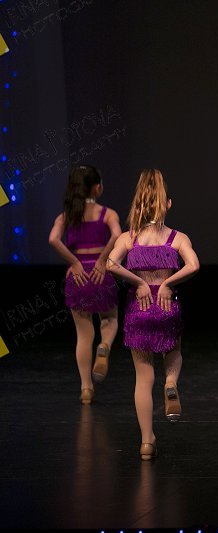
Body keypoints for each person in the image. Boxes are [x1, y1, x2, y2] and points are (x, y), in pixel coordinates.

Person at [107, 169, 200, 460]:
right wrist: (168, 283)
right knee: (173, 352)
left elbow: (110, 264)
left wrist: (138, 282)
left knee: (143, 378)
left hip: (140, 308)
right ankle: (171, 382)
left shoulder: (129, 238)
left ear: (138, 205)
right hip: (167, 307)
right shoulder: (177, 238)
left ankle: (147, 442)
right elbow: (194, 265)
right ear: (167, 204)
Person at [48, 165, 121, 405]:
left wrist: (74, 262)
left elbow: (53, 239)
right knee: (109, 320)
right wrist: (102, 260)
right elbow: (117, 235)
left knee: (83, 334)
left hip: (78, 277)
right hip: (101, 275)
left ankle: (86, 388)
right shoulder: (107, 213)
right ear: (97, 188)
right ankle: (105, 345)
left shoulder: (67, 215)